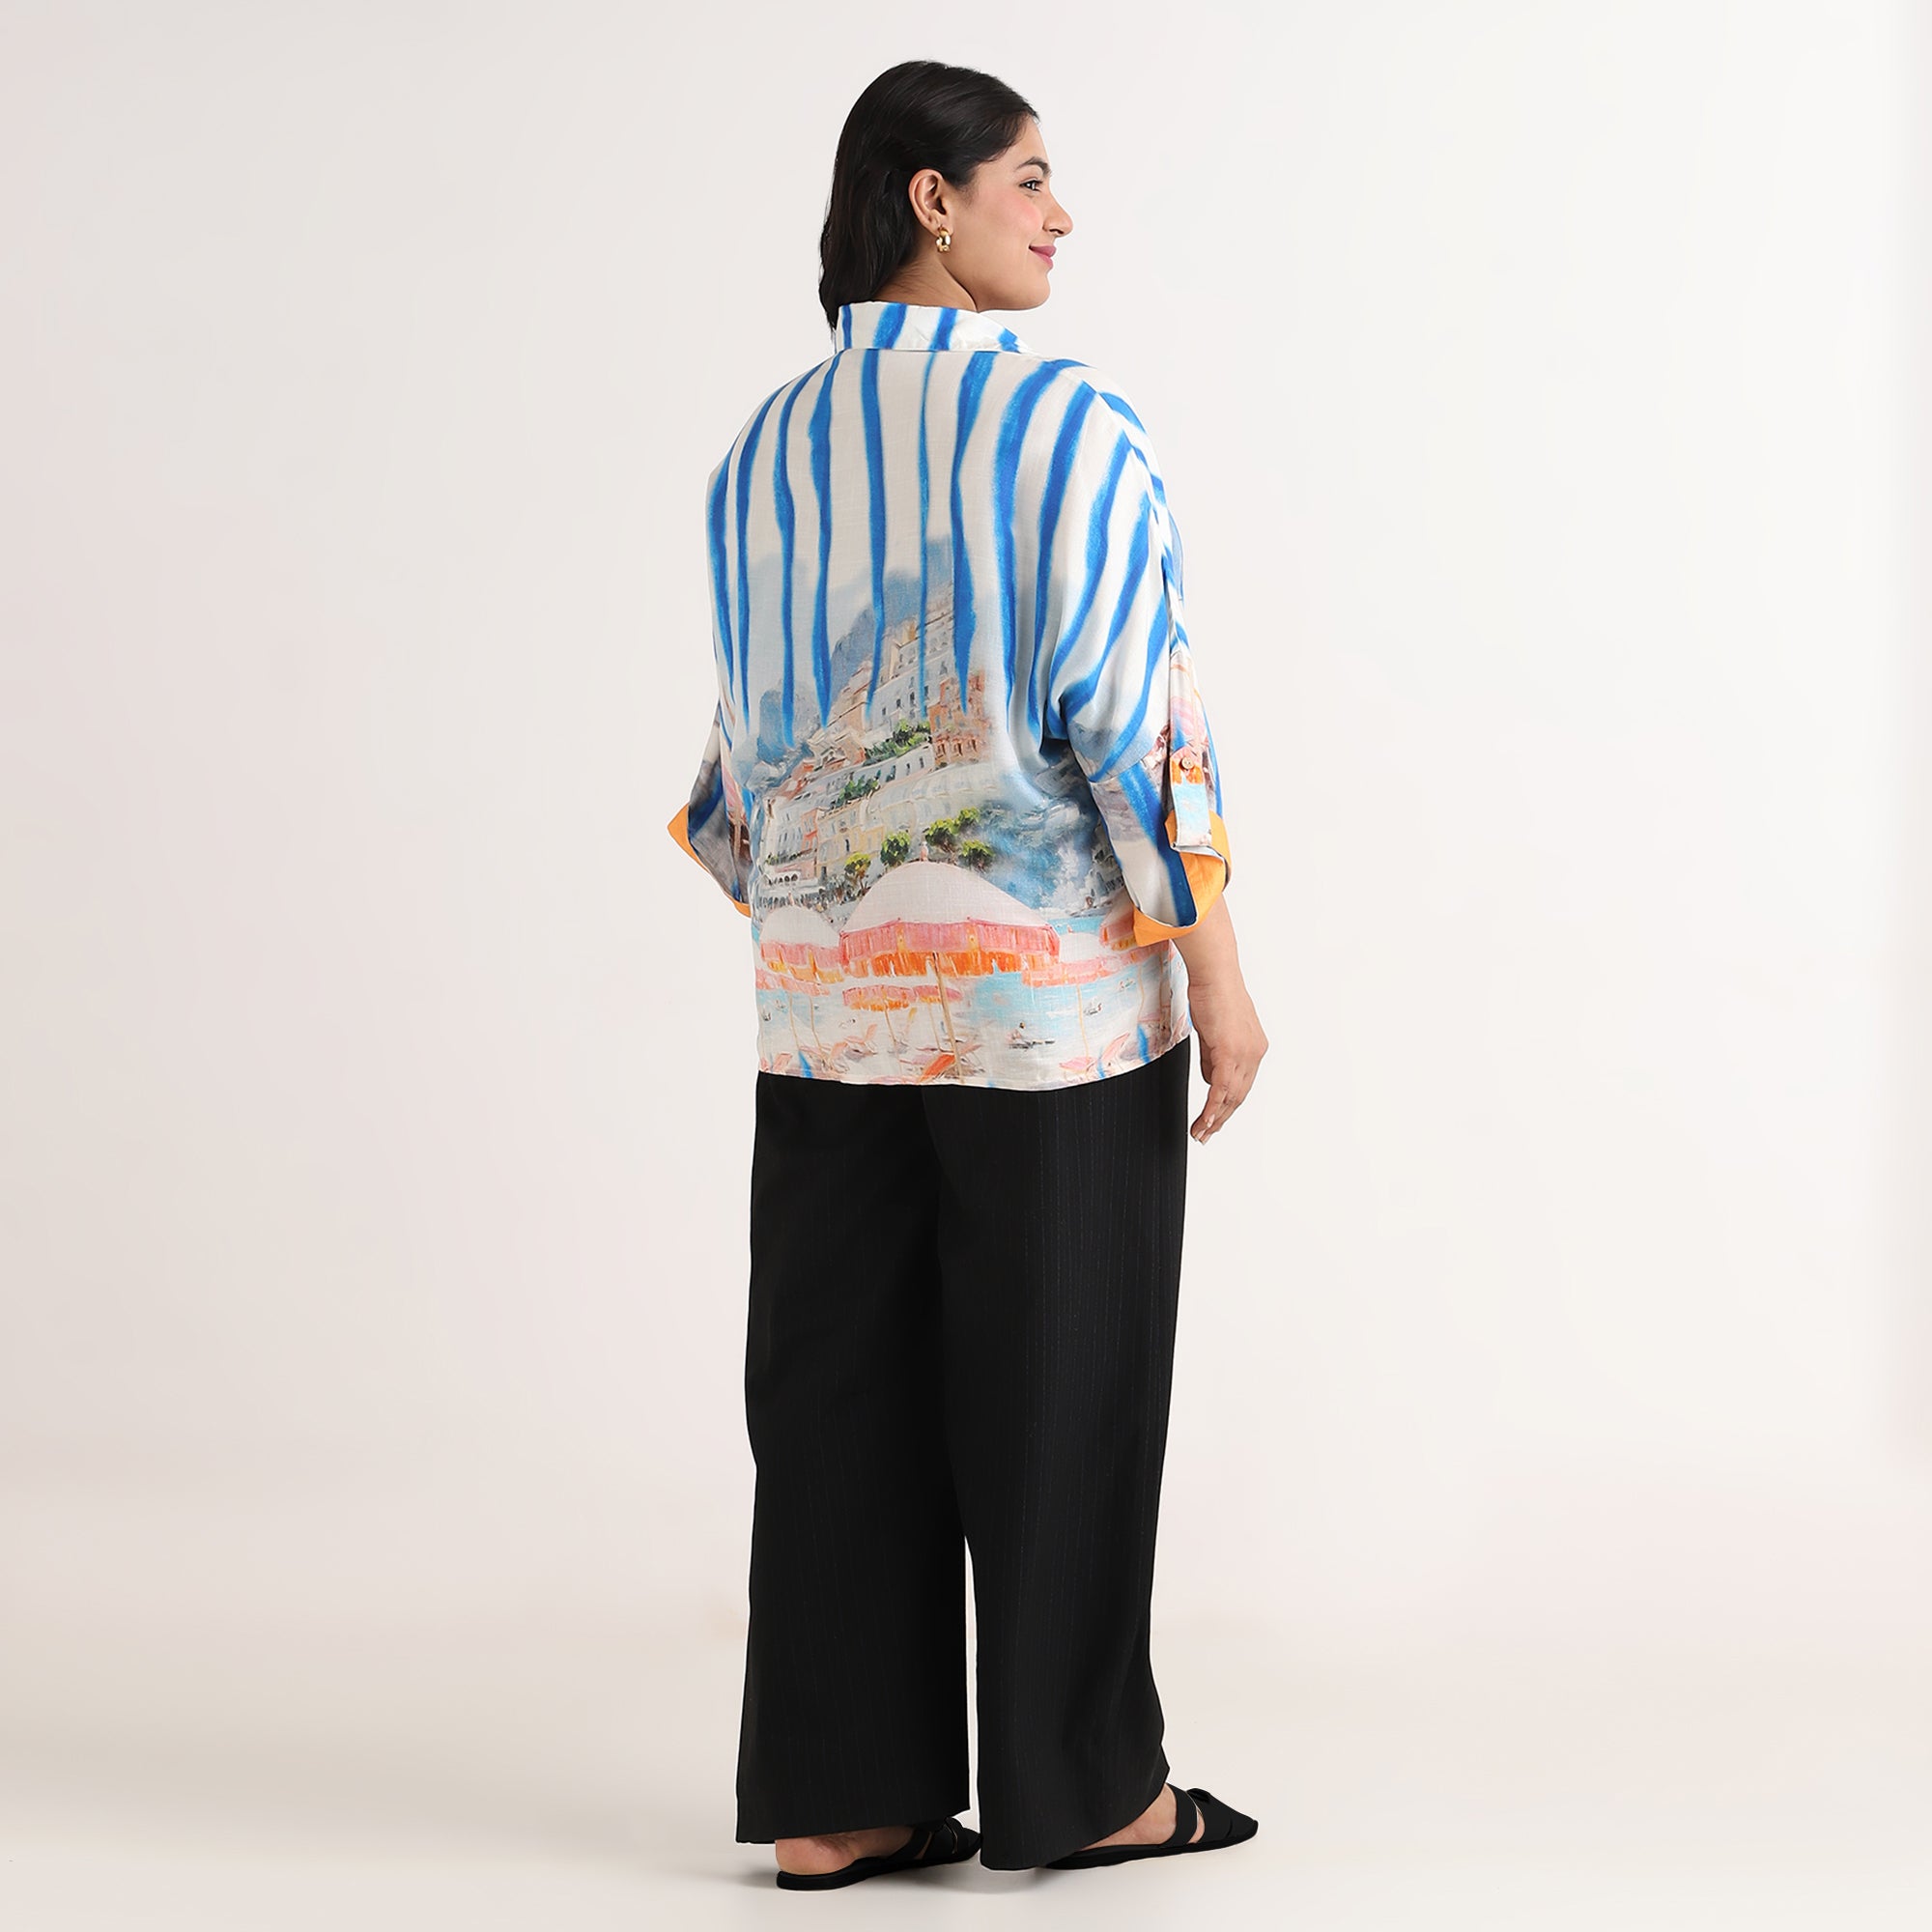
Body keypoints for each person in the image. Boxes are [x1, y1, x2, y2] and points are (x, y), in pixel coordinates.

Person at [667, 59, 1269, 1889]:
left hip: (823, 1000)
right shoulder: (1067, 422)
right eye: (1030, 179)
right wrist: (1219, 975)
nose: (1062, 216)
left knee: (835, 1391)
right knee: (1064, 1388)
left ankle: (839, 1801)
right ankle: (1086, 1790)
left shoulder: (762, 447)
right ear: (931, 202)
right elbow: (1137, 722)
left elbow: (743, 757)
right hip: (1049, 1008)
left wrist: (825, 925)